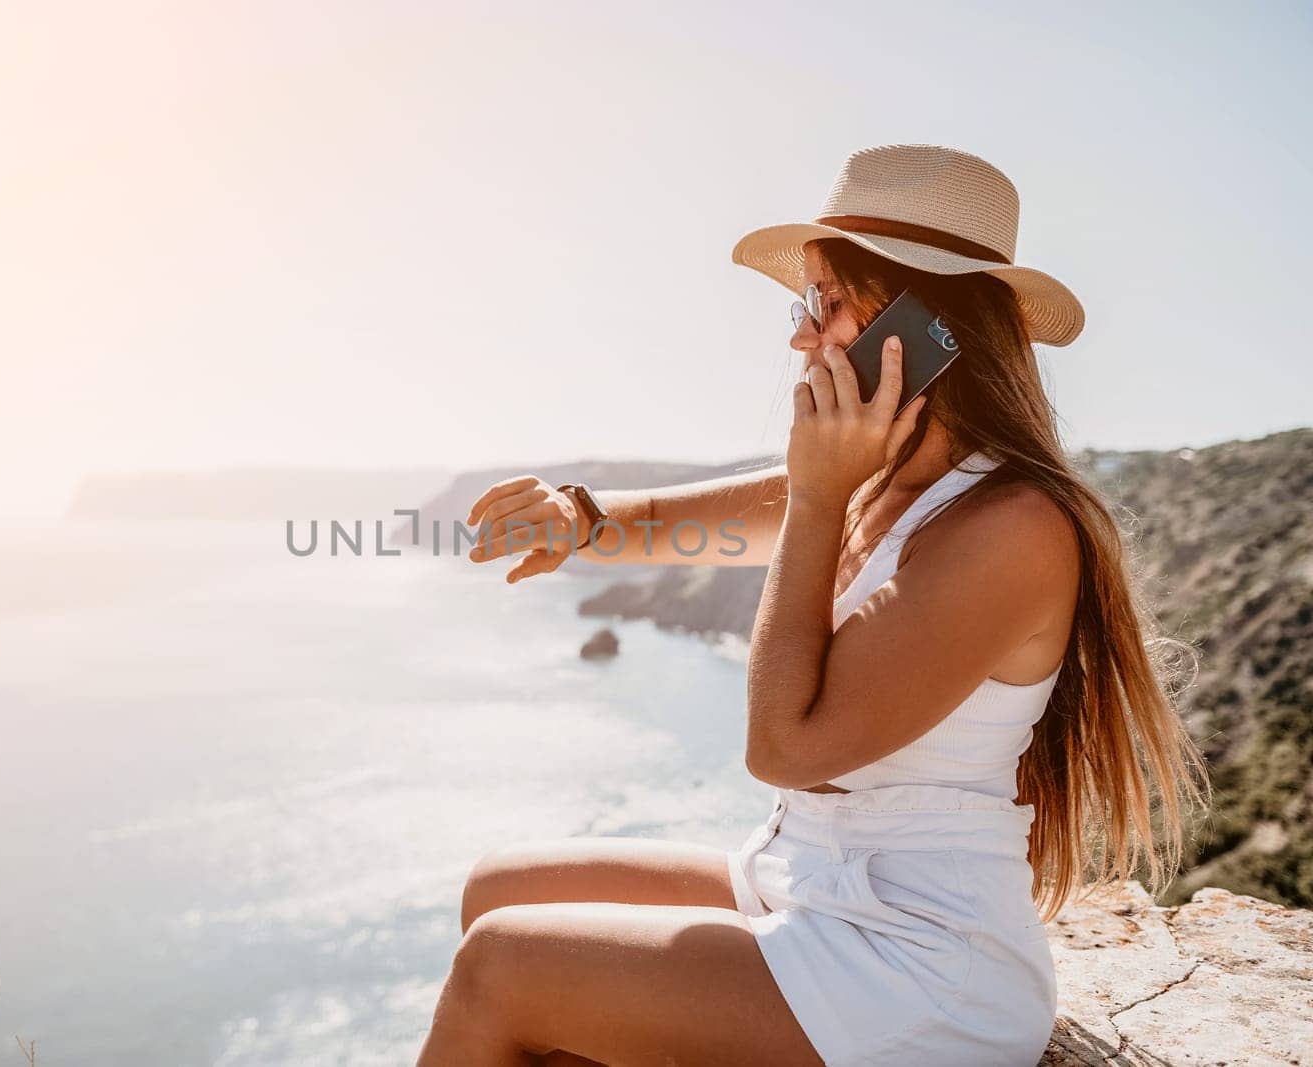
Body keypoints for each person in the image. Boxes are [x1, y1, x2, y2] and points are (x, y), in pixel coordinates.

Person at [417, 144, 1211, 1066]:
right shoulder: (888, 480)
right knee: (496, 889)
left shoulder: (1013, 525)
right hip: (807, 882)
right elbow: (688, 520)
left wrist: (819, 495)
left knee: (500, 968)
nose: (800, 336)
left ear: (920, 327)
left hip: (918, 963)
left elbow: (784, 749)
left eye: (823, 303)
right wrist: (578, 517)